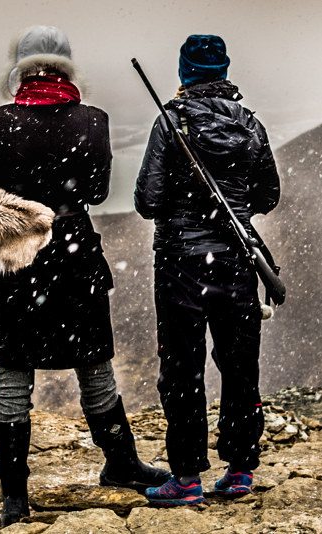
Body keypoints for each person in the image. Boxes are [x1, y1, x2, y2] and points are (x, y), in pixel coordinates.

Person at [0, 25, 170, 527]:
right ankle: (121, 463)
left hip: (17, 259)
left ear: (20, 71)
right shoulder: (93, 121)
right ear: (67, 68)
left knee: (12, 383)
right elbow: (94, 191)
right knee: (95, 371)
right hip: (74, 256)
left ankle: (15, 497)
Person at [134, 34, 281, 506]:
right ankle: (239, 470)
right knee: (240, 367)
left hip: (180, 262)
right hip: (237, 263)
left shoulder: (170, 122)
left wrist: (186, 212)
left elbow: (147, 200)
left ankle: (186, 478)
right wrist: (229, 209)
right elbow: (267, 196)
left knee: (182, 369)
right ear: (224, 71)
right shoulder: (251, 125)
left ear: (184, 73)